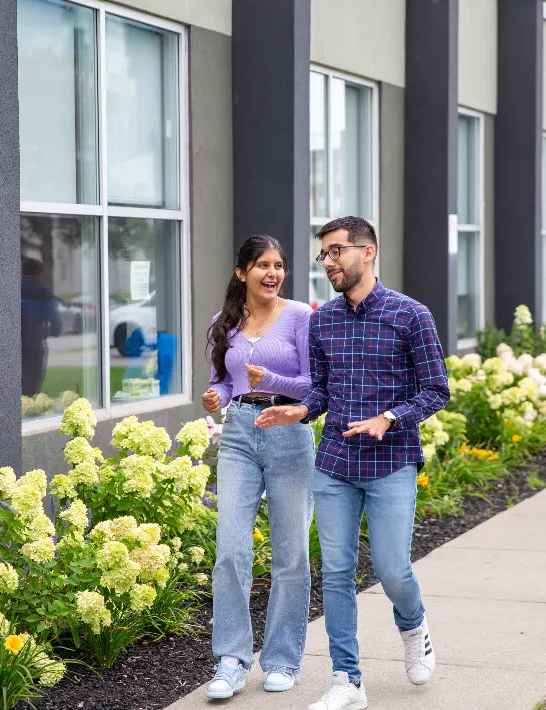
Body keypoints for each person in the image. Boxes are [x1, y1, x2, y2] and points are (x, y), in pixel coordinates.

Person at [255, 217, 450, 710]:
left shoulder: (411, 316)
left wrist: (389, 417)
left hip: (391, 461)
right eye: (324, 255)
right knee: (337, 573)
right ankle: (347, 680)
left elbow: (437, 391)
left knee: (391, 568)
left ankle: (413, 626)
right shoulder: (322, 321)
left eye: (337, 252)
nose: (329, 263)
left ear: (369, 252)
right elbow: (321, 391)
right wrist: (300, 409)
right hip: (335, 463)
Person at [202, 235, 316, 699]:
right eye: (263, 265)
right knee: (230, 549)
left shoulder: (300, 317)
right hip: (239, 435)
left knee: (291, 553)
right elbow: (223, 382)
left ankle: (283, 659)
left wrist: (267, 379)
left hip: (289, 431)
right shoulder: (224, 322)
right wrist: (217, 397)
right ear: (242, 272)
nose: (273, 274)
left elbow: (312, 385)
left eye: (279, 265)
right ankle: (231, 659)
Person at [21, 257, 62, 397]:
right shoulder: (43, 292)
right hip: (35, 343)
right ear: (38, 273)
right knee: (32, 381)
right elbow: (54, 318)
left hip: (14, 344)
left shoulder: (12, 289)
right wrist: (55, 330)